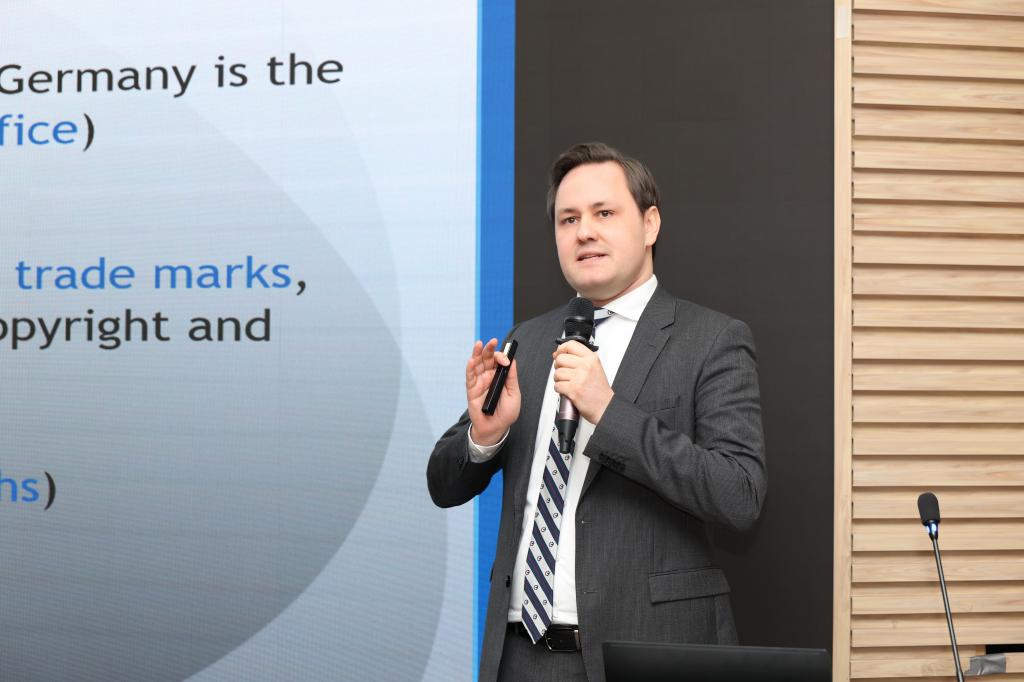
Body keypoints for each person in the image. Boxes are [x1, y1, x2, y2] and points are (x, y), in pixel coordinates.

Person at [427, 142, 766, 682]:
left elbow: (739, 495)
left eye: (604, 213)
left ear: (650, 224)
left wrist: (608, 411)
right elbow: (443, 485)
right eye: (569, 219)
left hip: (645, 651)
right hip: (519, 657)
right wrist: (485, 436)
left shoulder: (710, 340)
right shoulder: (527, 341)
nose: (584, 232)